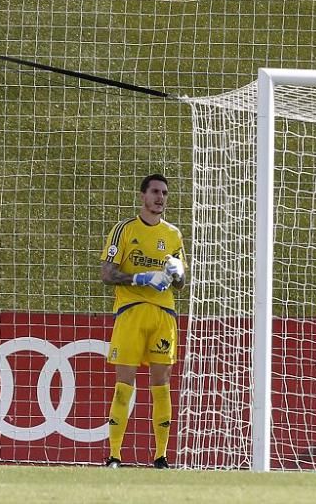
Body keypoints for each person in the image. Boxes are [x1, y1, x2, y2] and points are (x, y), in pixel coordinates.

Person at [99, 173, 186, 470]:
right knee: (125, 384)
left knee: (161, 384)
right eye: (155, 192)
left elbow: (181, 285)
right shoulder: (124, 230)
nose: (160, 198)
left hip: (164, 316)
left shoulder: (173, 235)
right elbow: (107, 274)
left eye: (164, 193)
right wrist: (140, 277)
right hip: (131, 312)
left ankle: (161, 456)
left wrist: (177, 273)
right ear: (143, 196)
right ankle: (114, 455)